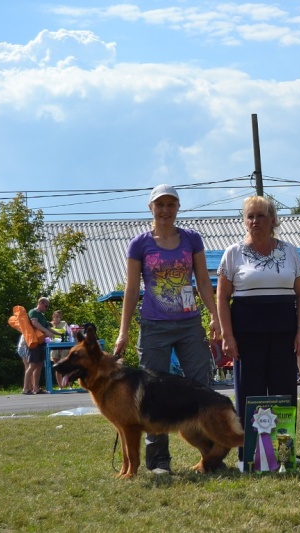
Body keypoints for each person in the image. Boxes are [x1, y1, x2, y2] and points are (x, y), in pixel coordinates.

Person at [113, 184, 220, 475]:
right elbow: (132, 289)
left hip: (189, 324)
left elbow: (202, 281)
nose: (165, 210)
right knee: (150, 395)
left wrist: (214, 316)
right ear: (151, 208)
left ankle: (212, 456)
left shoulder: (192, 240)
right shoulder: (139, 244)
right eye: (160, 205)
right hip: (153, 327)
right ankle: (159, 461)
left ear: (178, 208)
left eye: (171, 205)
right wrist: (123, 331)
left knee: (201, 387)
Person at [216, 196, 300, 463]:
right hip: (246, 337)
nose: (255, 221)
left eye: (261, 216)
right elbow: (222, 298)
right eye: (250, 216)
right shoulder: (232, 253)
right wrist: (228, 336)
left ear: (273, 220)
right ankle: (249, 454)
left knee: (284, 394)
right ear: (244, 221)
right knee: (249, 395)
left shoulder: (290, 251)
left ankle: (283, 453)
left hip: (284, 334)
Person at [24, 297, 55, 394]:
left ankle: (36, 388)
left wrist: (60, 334)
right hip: (34, 342)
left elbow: (48, 327)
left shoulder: (42, 315)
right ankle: (26, 388)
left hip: (41, 342)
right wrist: (46, 331)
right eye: (46, 306)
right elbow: (35, 323)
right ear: (40, 303)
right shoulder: (33, 312)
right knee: (32, 365)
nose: (47, 308)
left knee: (39, 365)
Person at [49, 310, 70, 388]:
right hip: (54, 346)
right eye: (56, 316)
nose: (57, 318)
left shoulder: (64, 323)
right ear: (53, 316)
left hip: (64, 345)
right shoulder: (49, 324)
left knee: (66, 365)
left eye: (59, 317)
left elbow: (67, 332)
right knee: (57, 366)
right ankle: (60, 386)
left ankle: (69, 385)